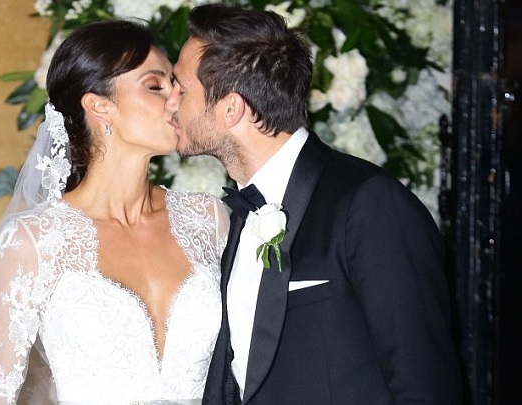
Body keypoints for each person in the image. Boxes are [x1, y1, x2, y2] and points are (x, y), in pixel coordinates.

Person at [165, 4, 462, 404]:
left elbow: (426, 387)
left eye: (181, 89)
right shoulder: (239, 211)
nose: (170, 103)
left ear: (232, 109)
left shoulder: (370, 205)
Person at [0, 19, 228, 405]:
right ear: (99, 106)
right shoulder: (33, 242)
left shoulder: (209, 219)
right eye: (155, 86)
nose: (176, 100)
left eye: (175, 85)